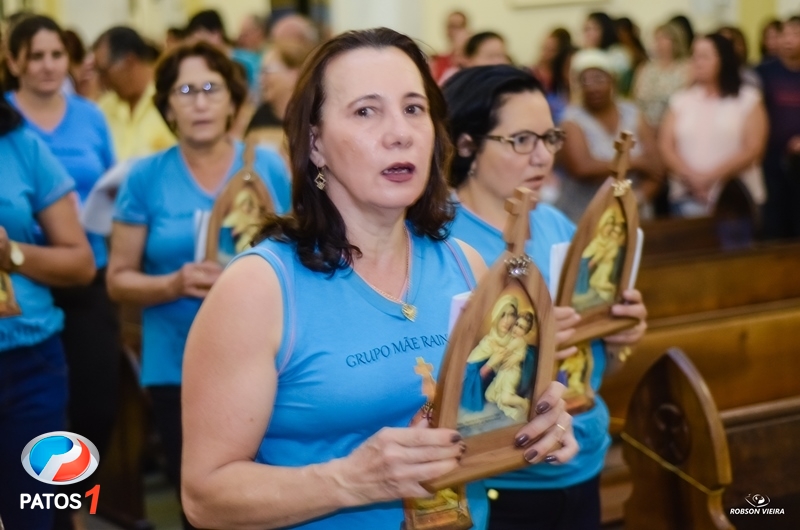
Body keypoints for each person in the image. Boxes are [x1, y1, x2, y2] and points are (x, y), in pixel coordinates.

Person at [179, 28, 577, 530]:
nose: (400, 132)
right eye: (366, 111)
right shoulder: (259, 288)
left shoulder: (465, 265)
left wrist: (536, 420)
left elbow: (481, 419)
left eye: (414, 109)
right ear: (316, 144)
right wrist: (351, 480)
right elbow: (204, 496)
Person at [443, 64, 647, 530]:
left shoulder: (558, 226)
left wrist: (619, 334)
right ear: (468, 144)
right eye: (521, 140)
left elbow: (599, 367)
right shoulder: (442, 242)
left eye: (549, 138)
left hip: (584, 457)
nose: (542, 158)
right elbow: (444, 379)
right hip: (504, 482)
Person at [107, 41, 290, 529]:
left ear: (233, 100)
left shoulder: (267, 167)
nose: (200, 101)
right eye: (185, 90)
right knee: (203, 508)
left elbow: (302, 255)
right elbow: (117, 279)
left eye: (211, 88)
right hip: (177, 364)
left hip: (268, 362)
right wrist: (173, 283)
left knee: (272, 498)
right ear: (167, 105)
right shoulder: (145, 176)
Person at [4, 19, 122, 525]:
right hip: (39, 302)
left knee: (92, 411)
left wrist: (11, 253)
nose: (48, 65)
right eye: (36, 55)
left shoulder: (28, 140)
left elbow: (110, 197)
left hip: (47, 311)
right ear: (14, 63)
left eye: (57, 54)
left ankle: (72, 511)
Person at [0, 91, 95, 530]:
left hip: (28, 362)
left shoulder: (19, 143)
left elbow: (80, 262)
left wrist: (11, 253)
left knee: (32, 516)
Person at [659, 33, 767, 217]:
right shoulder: (681, 99)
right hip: (687, 197)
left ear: (723, 59)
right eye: (694, 56)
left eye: (704, 56)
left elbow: (754, 148)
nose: (696, 62)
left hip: (735, 200)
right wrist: (692, 178)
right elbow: (666, 145)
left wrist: (711, 178)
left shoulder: (747, 98)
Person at [556, 49, 662, 222]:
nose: (593, 87)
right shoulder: (571, 119)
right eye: (585, 81)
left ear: (613, 80)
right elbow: (582, 168)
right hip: (584, 215)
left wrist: (635, 200)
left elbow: (656, 169)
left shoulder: (633, 113)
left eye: (599, 79)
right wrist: (635, 162)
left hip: (632, 214)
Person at [94, 26, 175, 160]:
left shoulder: (170, 99)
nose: (102, 82)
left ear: (129, 62)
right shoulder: (105, 108)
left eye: (104, 72)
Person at [756, 16, 800, 239]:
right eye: (785, 34)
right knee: (773, 224)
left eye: (796, 34)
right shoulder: (763, 72)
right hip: (769, 160)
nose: (789, 40)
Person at [632, 21, 691, 131]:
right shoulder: (644, 69)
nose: (658, 42)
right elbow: (635, 101)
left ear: (675, 41)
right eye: (656, 38)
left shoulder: (686, 68)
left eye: (664, 38)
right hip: (646, 127)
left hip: (674, 127)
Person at [430, 10, 470, 83]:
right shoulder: (437, 60)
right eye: (451, 26)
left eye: (459, 26)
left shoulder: (473, 60)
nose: (454, 31)